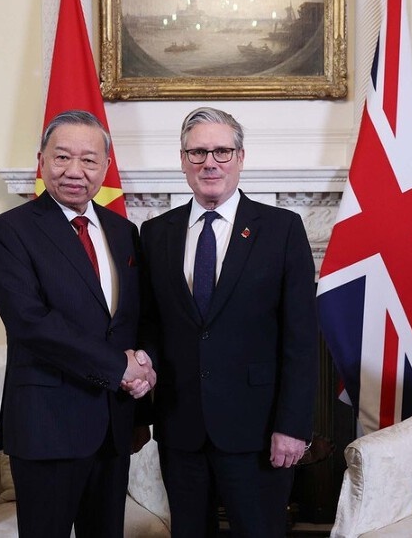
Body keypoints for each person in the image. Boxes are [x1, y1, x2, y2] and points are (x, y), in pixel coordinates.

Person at [140, 107, 319, 537]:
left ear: (240, 157)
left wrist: (292, 427)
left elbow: (301, 339)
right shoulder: (155, 232)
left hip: (258, 430)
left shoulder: (282, 229)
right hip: (181, 428)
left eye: (221, 151)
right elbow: (150, 326)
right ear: (182, 160)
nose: (210, 163)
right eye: (197, 152)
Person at [0, 110, 155, 538]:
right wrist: (120, 368)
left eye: (89, 160)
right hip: (47, 426)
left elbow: (135, 318)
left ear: (105, 167)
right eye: (62, 157)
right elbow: (31, 323)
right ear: (41, 160)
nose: (75, 171)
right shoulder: (10, 231)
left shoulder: (123, 231)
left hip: (113, 426)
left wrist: (144, 368)